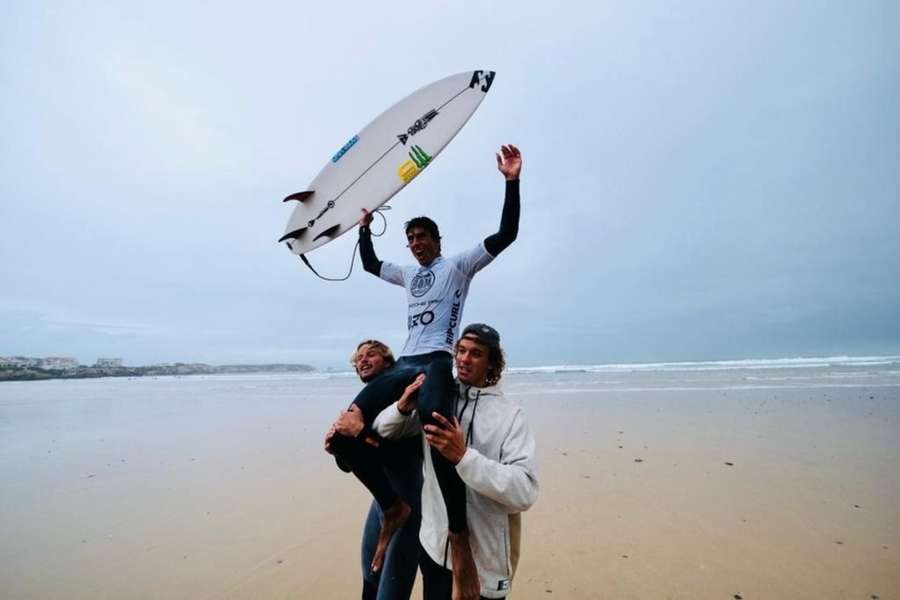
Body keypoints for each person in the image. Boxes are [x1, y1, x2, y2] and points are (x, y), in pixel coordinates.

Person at [352, 145, 522, 600]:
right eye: (410, 238)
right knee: (348, 432)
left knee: (436, 429)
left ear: (437, 240)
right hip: (405, 361)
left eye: (423, 236)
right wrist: (364, 228)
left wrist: (511, 181)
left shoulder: (458, 267)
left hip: (435, 361)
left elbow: (507, 234)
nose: (415, 243)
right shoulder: (408, 275)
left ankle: (458, 536)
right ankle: (391, 506)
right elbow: (369, 265)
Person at [372, 323, 539, 599]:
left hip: (484, 561)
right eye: (460, 350)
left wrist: (463, 457)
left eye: (475, 353)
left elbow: (524, 492)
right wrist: (403, 406)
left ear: (491, 363)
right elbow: (384, 429)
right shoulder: (438, 401)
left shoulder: (510, 416)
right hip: (434, 549)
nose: (463, 358)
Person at [324, 340, 424, 600]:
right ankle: (391, 509)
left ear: (389, 363)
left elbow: (400, 456)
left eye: (371, 355)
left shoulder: (405, 400)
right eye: (358, 359)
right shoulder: (367, 409)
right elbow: (349, 465)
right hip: (383, 501)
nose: (363, 360)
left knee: (392, 588)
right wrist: (338, 447)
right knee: (370, 578)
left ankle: (395, 510)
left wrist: (358, 434)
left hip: (409, 502)